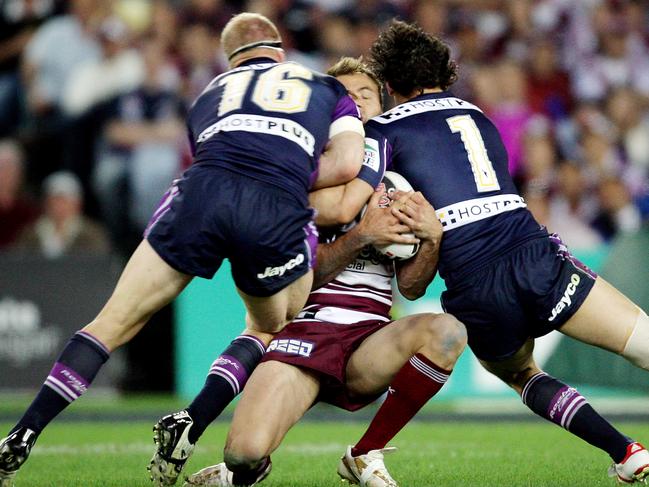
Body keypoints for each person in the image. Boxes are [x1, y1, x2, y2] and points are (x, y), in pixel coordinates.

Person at [0, 13, 365, 487]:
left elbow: (206, 153)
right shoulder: (325, 87)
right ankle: (191, 421)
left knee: (112, 321)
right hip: (273, 203)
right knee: (270, 326)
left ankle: (24, 433)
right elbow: (348, 162)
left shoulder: (209, 92)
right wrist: (286, 166)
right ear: (279, 50)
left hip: (201, 193)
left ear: (230, 57)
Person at [359, 20, 649, 484]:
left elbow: (366, 198)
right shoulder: (478, 115)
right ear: (443, 72)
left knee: (521, 374)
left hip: (474, 280)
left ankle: (626, 451)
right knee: (644, 344)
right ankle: (626, 452)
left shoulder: (380, 130)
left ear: (390, 84)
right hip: (531, 253)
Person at [166, 57, 466, 487]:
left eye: (365, 95)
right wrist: (362, 236)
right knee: (243, 454)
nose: (357, 105)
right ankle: (237, 474)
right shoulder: (296, 176)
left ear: (381, 108)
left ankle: (363, 455)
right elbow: (296, 279)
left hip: (368, 341)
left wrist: (432, 239)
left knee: (449, 332)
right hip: (302, 334)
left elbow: (413, 288)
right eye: (344, 97)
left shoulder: (397, 184)